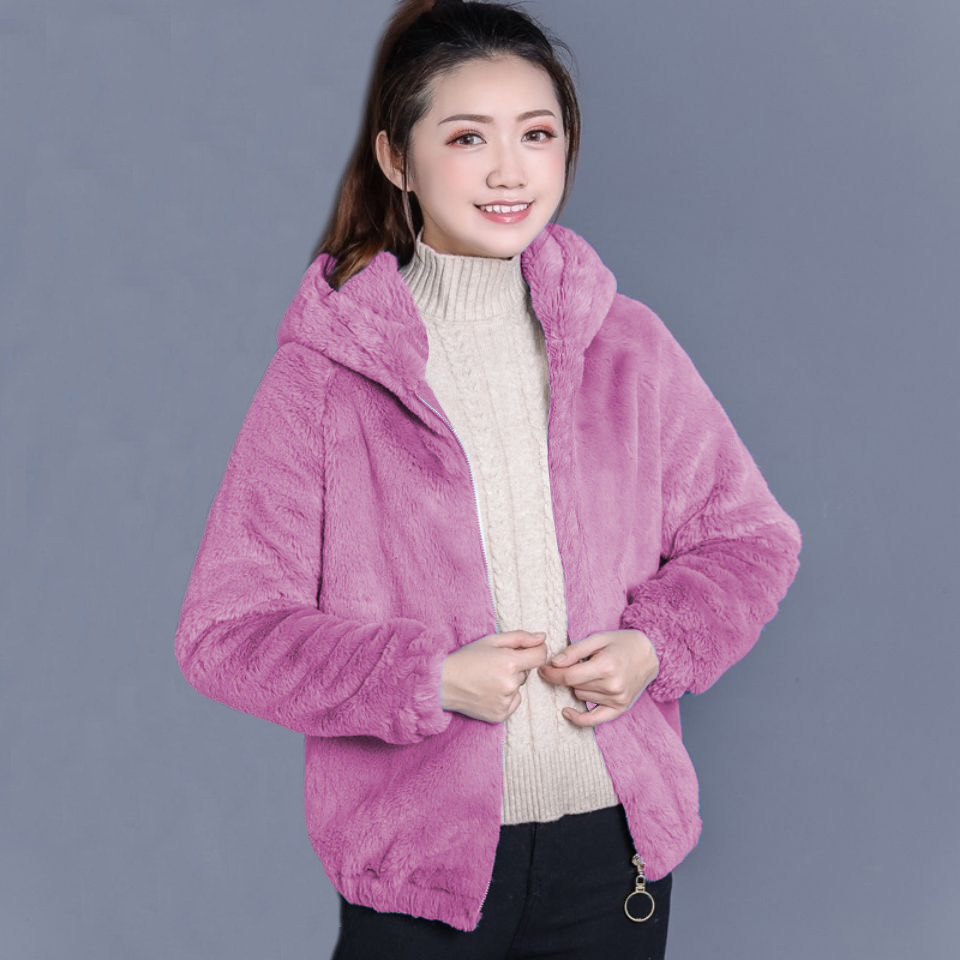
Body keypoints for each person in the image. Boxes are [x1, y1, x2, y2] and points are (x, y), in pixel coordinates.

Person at [173, 1, 802, 957]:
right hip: (420, 875)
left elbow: (751, 540)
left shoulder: (627, 346)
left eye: (536, 135)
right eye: (468, 138)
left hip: (613, 855)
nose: (510, 171)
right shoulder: (328, 377)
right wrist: (423, 679)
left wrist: (654, 646)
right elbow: (227, 633)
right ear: (397, 159)